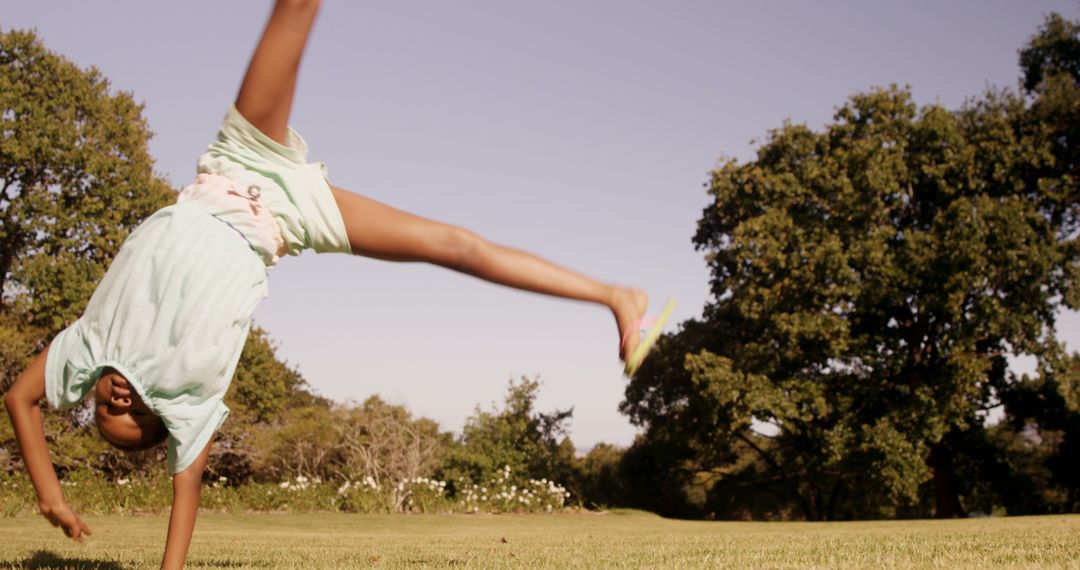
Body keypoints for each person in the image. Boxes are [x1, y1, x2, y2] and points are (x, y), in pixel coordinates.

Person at [2, 0, 671, 567]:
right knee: (453, 245)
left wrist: (49, 492)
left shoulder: (85, 348)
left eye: (106, 411)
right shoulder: (188, 397)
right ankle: (615, 296)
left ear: (89, 395)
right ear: (161, 415)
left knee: (295, 5)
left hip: (238, 162)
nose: (121, 403)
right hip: (286, 220)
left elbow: (20, 401)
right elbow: (187, 493)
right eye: (137, 417)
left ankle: (617, 299)